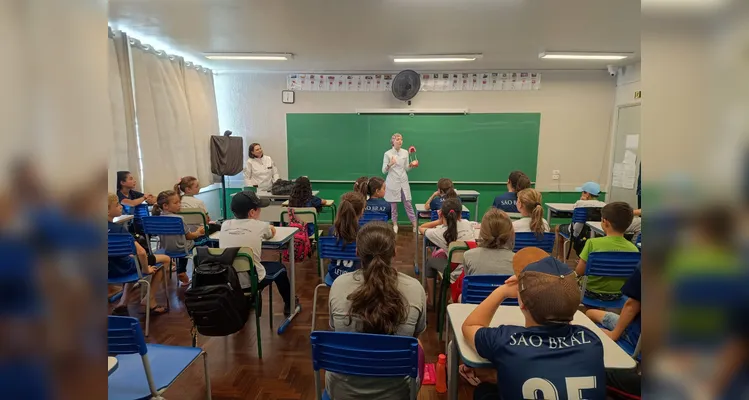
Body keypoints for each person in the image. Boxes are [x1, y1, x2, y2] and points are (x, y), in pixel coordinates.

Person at [462, 253, 606, 400]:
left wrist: (503, 291)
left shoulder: (506, 340)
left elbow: (470, 325)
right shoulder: (592, 341)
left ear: (522, 303)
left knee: (484, 392)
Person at [327, 221, 426, 399]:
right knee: (417, 347)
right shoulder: (415, 288)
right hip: (397, 391)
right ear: (394, 252)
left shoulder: (338, 285)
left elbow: (336, 330)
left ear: (357, 252)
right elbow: (415, 336)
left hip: (342, 390)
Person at [220, 190, 298, 316]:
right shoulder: (260, 225)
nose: (260, 211)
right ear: (252, 212)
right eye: (259, 209)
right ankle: (290, 303)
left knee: (245, 262)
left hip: (228, 280)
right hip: (252, 280)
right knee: (280, 269)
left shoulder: (225, 225)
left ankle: (247, 301)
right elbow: (271, 233)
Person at [108, 193, 168, 315]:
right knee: (166, 259)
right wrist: (146, 269)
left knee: (131, 260)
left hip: (108, 271)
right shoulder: (119, 229)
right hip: (124, 268)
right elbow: (141, 252)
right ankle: (149, 300)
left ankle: (123, 303)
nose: (120, 206)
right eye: (117, 205)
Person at [575, 201, 639, 302]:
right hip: (619, 295)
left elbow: (579, 271)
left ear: (605, 222)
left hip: (590, 292)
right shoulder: (634, 249)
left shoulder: (592, 243)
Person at [419, 198, 477, 307]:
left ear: (441, 214)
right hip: (470, 269)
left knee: (430, 262)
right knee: (442, 254)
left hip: (454, 272)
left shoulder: (440, 232)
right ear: (460, 214)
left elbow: (421, 228)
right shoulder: (467, 224)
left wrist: (439, 221)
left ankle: (431, 300)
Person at [151, 190, 205, 286]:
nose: (179, 204)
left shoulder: (156, 219)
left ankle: (181, 272)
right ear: (165, 206)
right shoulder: (178, 219)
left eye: (179, 202)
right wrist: (198, 233)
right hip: (181, 248)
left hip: (165, 250)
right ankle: (184, 271)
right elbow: (189, 237)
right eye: (176, 203)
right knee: (200, 242)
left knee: (182, 244)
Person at [585, 264, 641, 352]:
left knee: (590, 313)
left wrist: (613, 334)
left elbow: (631, 307)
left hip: (637, 338)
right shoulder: (634, 250)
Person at [554, 181, 606, 258]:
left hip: (576, 233)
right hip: (595, 234)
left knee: (557, 227)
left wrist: (581, 200)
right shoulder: (603, 205)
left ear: (587, 194)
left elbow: (574, 209)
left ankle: (560, 257)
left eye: (582, 192)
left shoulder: (580, 203)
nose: (581, 194)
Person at [382, 133, 418, 233]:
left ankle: (415, 225)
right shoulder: (387, 154)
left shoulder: (405, 152)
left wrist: (411, 165)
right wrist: (390, 164)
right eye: (397, 139)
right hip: (393, 182)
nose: (400, 141)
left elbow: (406, 168)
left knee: (408, 204)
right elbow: (384, 171)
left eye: (401, 139)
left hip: (403, 181)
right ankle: (395, 224)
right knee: (393, 207)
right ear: (392, 141)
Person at [327, 192, 366, 281]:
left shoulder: (331, 230)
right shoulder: (363, 233)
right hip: (356, 276)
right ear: (362, 211)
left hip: (334, 275)